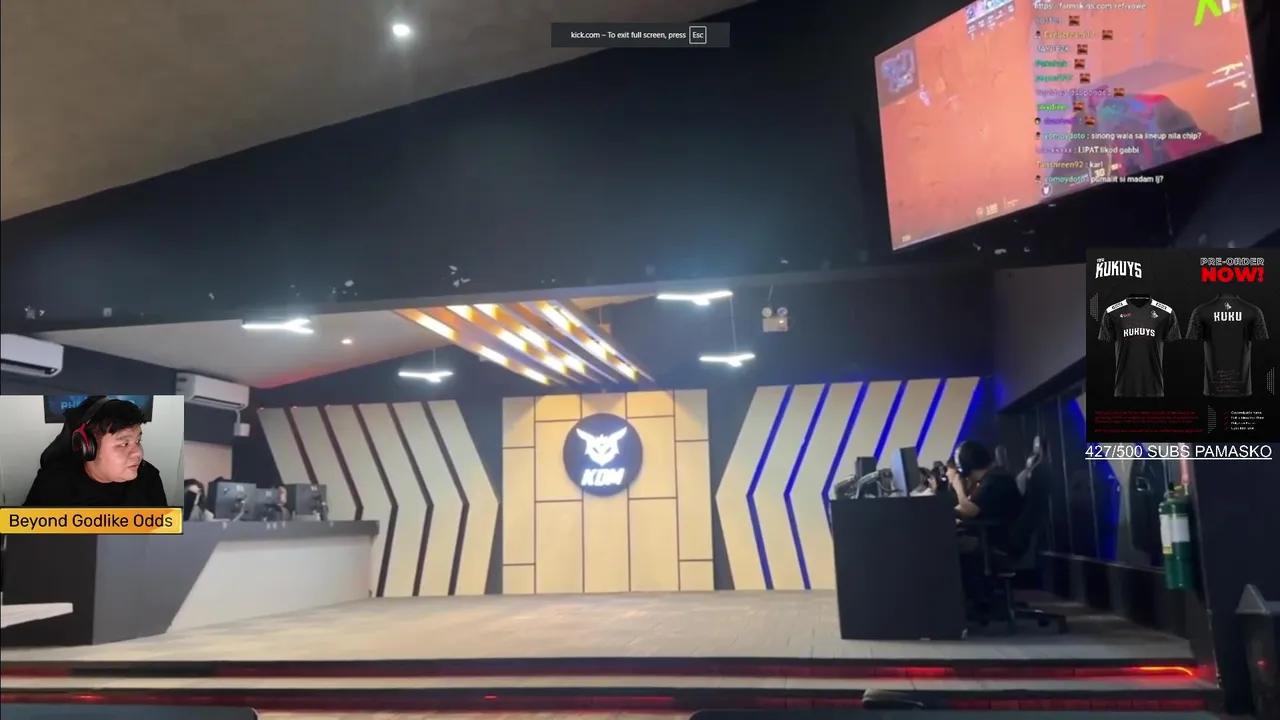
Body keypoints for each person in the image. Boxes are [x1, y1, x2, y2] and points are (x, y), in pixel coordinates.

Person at [23, 396, 169, 508]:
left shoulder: (149, 478)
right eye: (124, 444)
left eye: (138, 441)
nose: (138, 453)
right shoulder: (52, 482)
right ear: (88, 446)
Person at [951, 440, 1024, 615]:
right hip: (1000, 539)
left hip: (999, 544)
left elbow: (969, 510)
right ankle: (978, 601)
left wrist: (958, 487)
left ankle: (975, 605)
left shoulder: (995, 481)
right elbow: (967, 507)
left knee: (949, 548)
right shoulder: (993, 478)